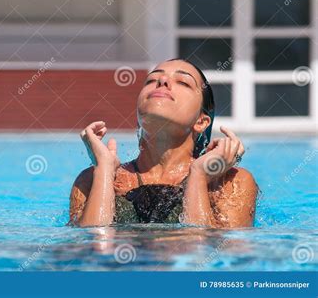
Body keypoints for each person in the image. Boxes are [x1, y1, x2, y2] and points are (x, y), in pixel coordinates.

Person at [69, 58, 258, 228]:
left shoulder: (230, 182)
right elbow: (91, 249)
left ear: (201, 122)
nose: (162, 82)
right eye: (151, 80)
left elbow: (202, 255)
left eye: (183, 82)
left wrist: (199, 175)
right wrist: (104, 170)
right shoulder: (92, 179)